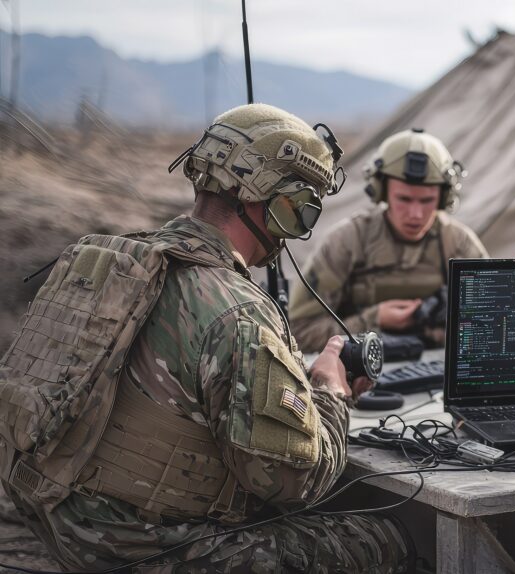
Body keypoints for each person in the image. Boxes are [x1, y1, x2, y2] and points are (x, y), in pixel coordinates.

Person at [0, 104, 413, 572]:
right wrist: (332, 393)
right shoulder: (239, 313)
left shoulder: (120, 263)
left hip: (56, 518)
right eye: (305, 209)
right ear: (281, 204)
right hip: (140, 548)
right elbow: (291, 483)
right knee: (383, 535)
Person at [290, 128, 488, 352]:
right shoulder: (347, 242)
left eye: (427, 201)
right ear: (381, 192)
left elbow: (490, 326)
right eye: (404, 198)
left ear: (444, 198)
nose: (415, 214)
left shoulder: (458, 243)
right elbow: (299, 332)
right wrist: (373, 320)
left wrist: (433, 331)